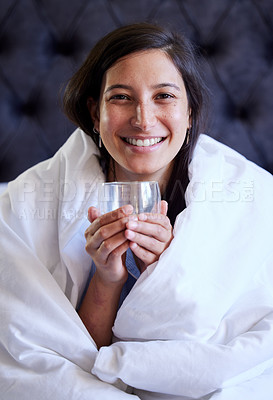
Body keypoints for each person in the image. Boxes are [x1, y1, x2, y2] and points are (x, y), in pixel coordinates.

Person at [0, 23, 273, 400]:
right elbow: (64, 356)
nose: (143, 119)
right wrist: (107, 277)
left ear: (189, 113)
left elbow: (210, 355)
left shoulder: (249, 198)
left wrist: (163, 273)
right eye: (121, 98)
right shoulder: (28, 202)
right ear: (95, 114)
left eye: (164, 96)